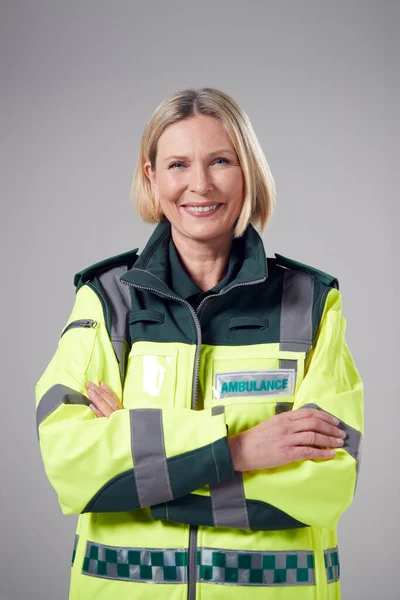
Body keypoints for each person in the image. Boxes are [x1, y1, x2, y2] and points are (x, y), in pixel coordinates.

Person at [35, 87, 364, 600]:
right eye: (178, 165)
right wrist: (238, 450)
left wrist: (135, 474)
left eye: (221, 161)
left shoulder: (310, 305)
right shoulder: (106, 302)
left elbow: (323, 488)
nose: (199, 184)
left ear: (248, 172)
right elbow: (70, 464)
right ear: (152, 177)